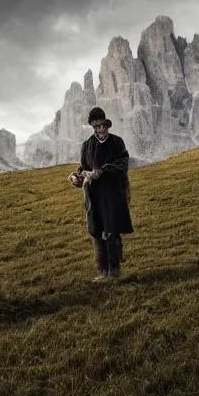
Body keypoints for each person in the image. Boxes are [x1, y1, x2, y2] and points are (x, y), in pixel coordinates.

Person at [69, 107, 134, 281]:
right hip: (94, 196)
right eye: (97, 126)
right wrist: (77, 177)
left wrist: (103, 170)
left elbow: (123, 163)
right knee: (97, 232)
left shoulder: (117, 143)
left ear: (107, 125)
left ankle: (114, 270)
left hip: (113, 194)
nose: (101, 130)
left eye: (103, 126)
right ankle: (103, 271)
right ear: (93, 127)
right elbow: (84, 168)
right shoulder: (87, 145)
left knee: (112, 231)